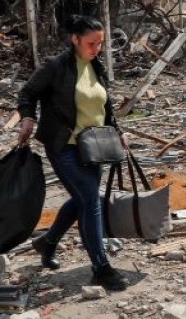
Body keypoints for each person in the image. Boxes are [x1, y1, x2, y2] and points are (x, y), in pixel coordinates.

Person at [15, 15, 127, 291]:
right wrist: (28, 118)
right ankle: (101, 268)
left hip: (95, 147)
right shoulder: (56, 66)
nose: (96, 48)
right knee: (90, 200)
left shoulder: (96, 66)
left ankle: (47, 242)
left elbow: (105, 105)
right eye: (91, 43)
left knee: (81, 200)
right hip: (63, 146)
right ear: (74, 40)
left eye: (100, 43)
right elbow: (28, 93)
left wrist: (117, 129)